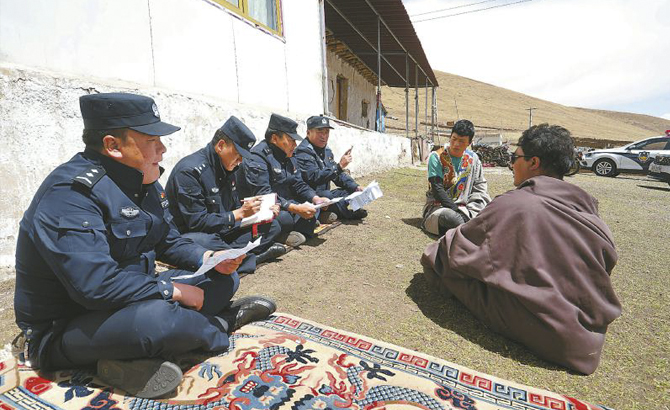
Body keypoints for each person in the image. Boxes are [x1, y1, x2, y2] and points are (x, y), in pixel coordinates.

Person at [13, 93, 276, 399]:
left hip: (130, 298)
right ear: (113, 145)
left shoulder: (142, 180)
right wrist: (173, 292)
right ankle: (222, 323)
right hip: (67, 325)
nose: (163, 149)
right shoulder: (70, 194)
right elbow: (95, 286)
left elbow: (167, 240)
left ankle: (130, 359)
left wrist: (210, 257)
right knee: (159, 320)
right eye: (152, 140)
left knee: (224, 278)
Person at [421, 124, 621, 374]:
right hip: (591, 333)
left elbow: (454, 252)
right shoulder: (588, 209)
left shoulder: (512, 202)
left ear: (534, 162)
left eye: (515, 158)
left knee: (437, 259)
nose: (511, 164)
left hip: (553, 333)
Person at [165, 116, 287, 274]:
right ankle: (249, 259)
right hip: (193, 235)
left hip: (221, 230)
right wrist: (239, 214)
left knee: (272, 226)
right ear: (221, 146)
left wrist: (259, 211)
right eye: (238, 154)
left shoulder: (229, 168)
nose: (240, 161)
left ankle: (234, 259)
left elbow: (233, 207)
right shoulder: (190, 171)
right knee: (208, 242)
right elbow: (196, 222)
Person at [237, 114, 329, 247]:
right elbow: (264, 195)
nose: (294, 144)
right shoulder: (257, 158)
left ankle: (293, 229)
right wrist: (295, 208)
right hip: (265, 207)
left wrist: (315, 199)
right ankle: (284, 233)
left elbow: (298, 183)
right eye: (291, 140)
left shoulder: (289, 155)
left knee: (313, 208)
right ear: (275, 138)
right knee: (284, 219)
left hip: (285, 204)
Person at [421, 119, 490, 236]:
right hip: (440, 207)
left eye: (462, 141)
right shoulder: (437, 157)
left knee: (492, 214)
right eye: (454, 139)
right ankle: (470, 230)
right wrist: (457, 210)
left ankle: (467, 229)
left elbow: (479, 187)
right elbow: (437, 190)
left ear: (469, 143)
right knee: (451, 218)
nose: (456, 144)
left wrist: (474, 206)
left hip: (468, 207)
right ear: (450, 137)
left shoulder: (474, 159)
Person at [294, 115, 367, 222]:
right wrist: (339, 166)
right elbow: (314, 177)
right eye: (320, 132)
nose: (324, 136)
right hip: (310, 197)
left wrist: (356, 187)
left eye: (327, 132)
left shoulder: (326, 150)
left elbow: (338, 176)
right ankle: (346, 214)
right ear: (308, 132)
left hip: (325, 196)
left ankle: (326, 213)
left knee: (350, 191)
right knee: (328, 195)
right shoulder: (303, 152)